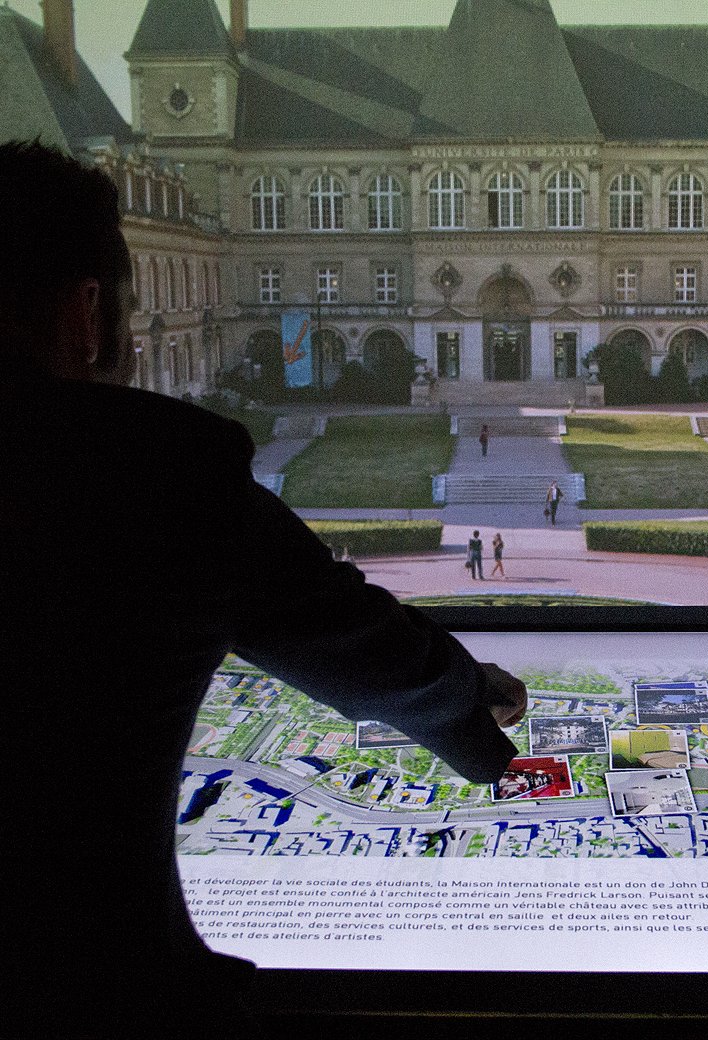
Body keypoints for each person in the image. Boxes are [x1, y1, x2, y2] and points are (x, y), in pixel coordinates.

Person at [0, 140, 526, 1038]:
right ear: (86, 311)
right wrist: (470, 710)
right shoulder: (147, 471)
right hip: (90, 1000)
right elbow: (349, 641)